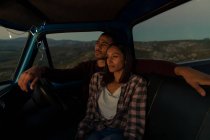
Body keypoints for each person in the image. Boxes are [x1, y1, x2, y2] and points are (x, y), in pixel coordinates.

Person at [18, 31, 210, 97]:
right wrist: (39, 69)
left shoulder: (126, 66)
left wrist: (181, 69)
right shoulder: (88, 67)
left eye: (104, 44)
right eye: (97, 43)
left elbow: (153, 65)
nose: (98, 46)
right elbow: (64, 75)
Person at [76, 43, 147, 140]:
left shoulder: (136, 82)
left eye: (115, 56)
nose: (109, 61)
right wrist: (81, 133)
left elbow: (135, 122)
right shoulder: (97, 79)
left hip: (119, 131)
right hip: (97, 128)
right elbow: (90, 113)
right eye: (107, 57)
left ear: (126, 59)